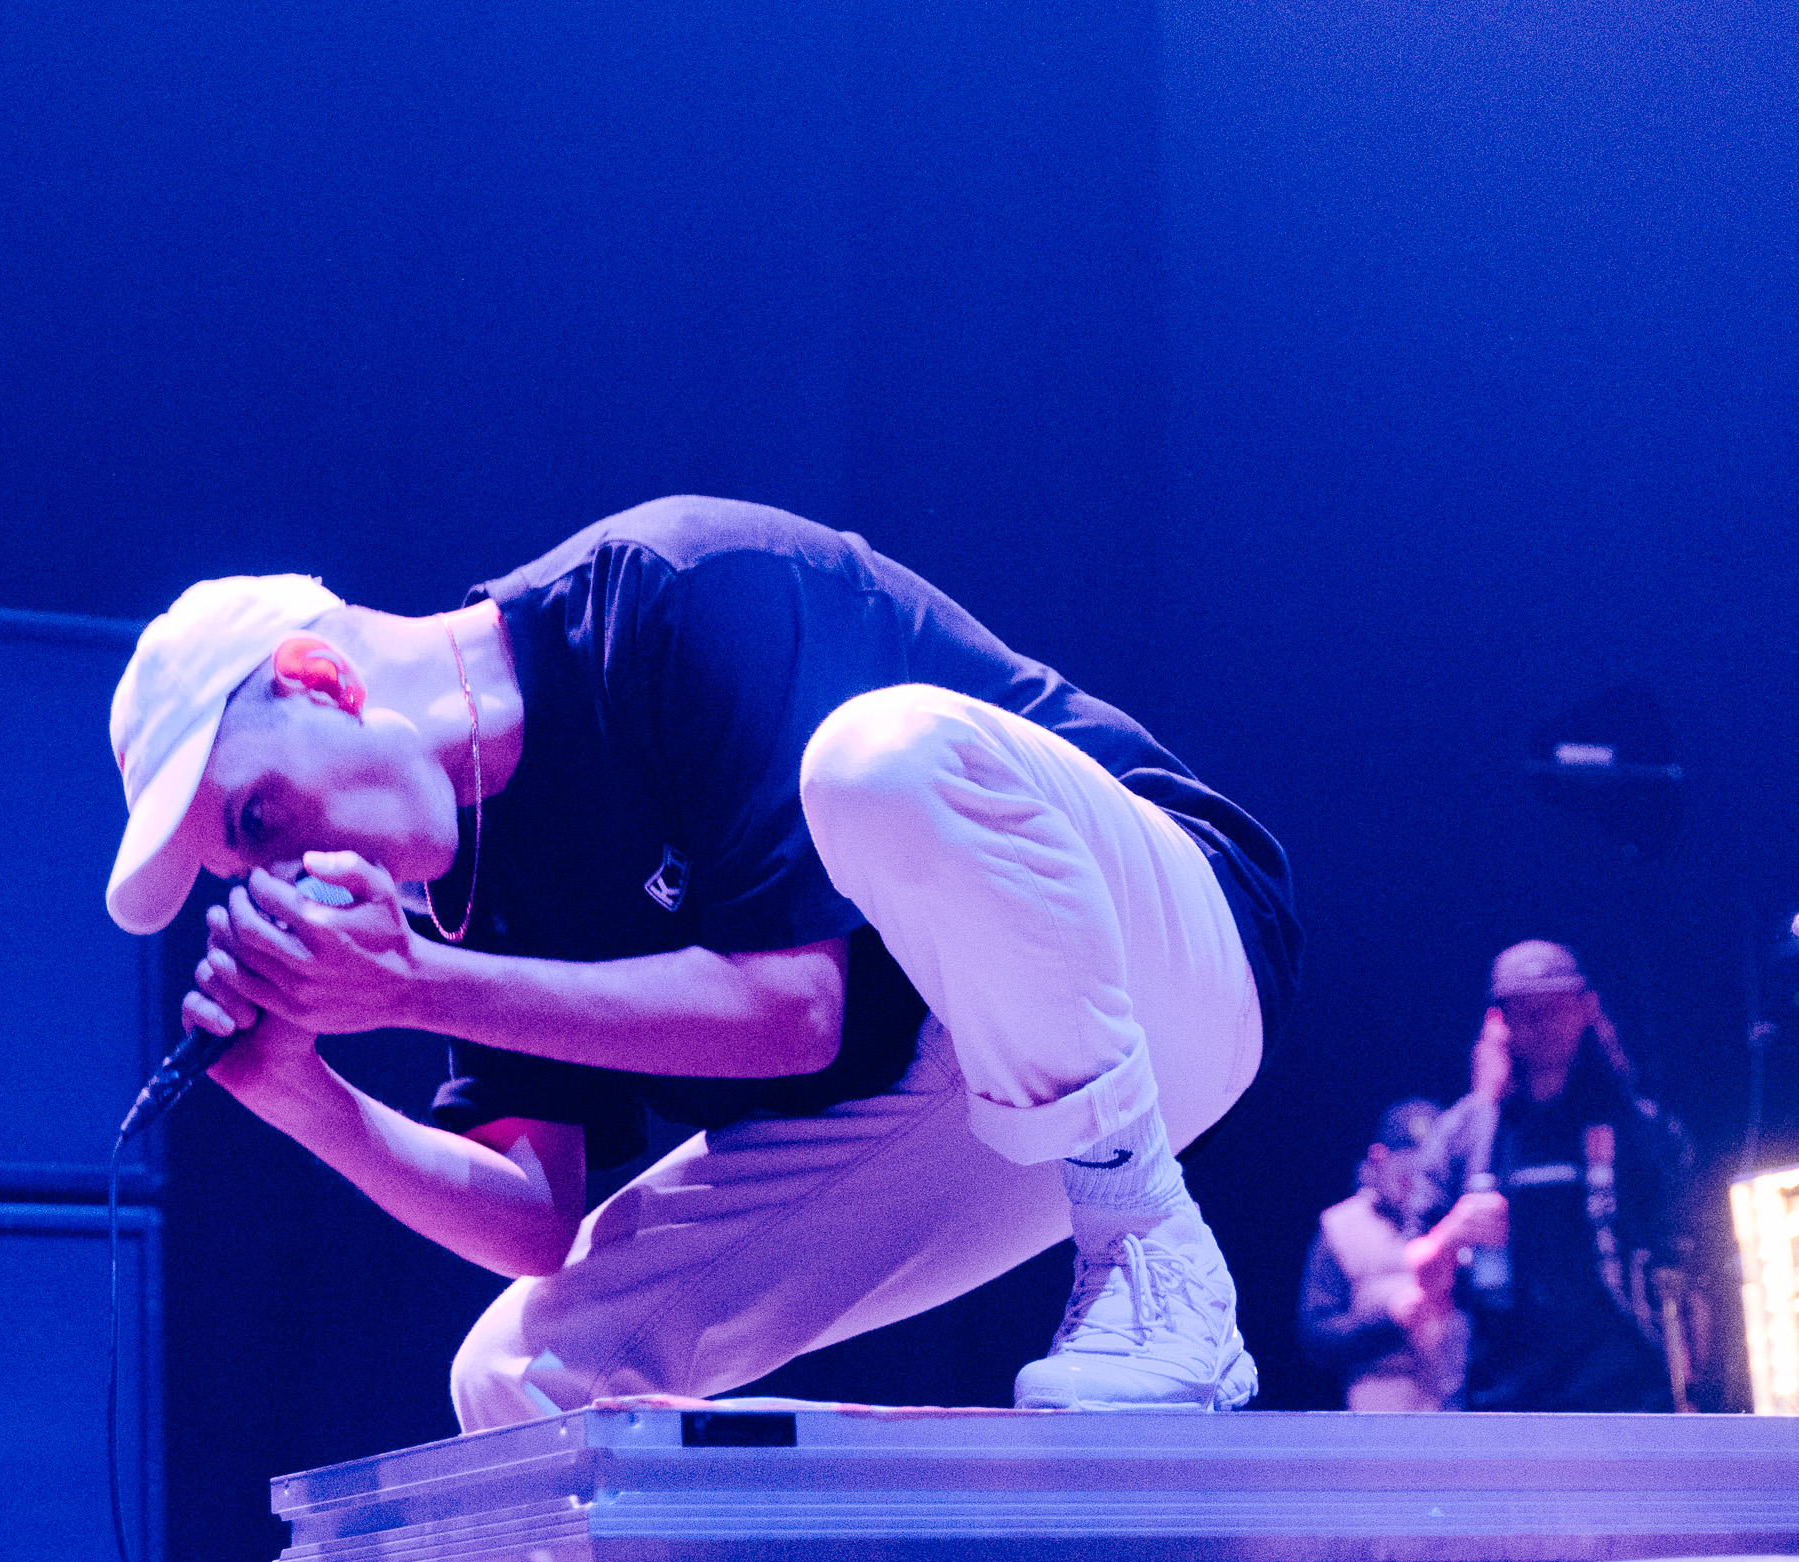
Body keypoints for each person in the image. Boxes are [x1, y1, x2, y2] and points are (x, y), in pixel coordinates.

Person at [106, 496, 1300, 1424]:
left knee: (880, 759)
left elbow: (794, 1010)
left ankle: (1151, 1254)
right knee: (523, 1379)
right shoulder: (468, 886)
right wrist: (303, 1096)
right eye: (244, 864)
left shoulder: (665, 590)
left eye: (260, 815)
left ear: (319, 679)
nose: (284, 868)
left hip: (1154, 961)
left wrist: (413, 988)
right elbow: (533, 1219)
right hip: (947, 1093)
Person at [1416, 940, 1698, 1412]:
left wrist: (1688, 1373)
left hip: (1627, 1396)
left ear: (1587, 1008)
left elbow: (1690, 1261)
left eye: (1555, 1006)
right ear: (1499, 1020)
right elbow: (1416, 1280)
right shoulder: (1462, 1135)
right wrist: (1450, 1233)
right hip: (1497, 1403)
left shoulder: (1641, 1129)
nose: (1541, 1022)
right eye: (1525, 1010)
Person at [1296, 1098, 1494, 1410]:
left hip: (1465, 1408)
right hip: (1378, 1416)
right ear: (1379, 1158)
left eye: (1429, 1172)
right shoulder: (1340, 1226)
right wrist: (1390, 1319)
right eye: (1407, 1174)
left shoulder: (1471, 1222)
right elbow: (1316, 1339)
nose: (1419, 1185)